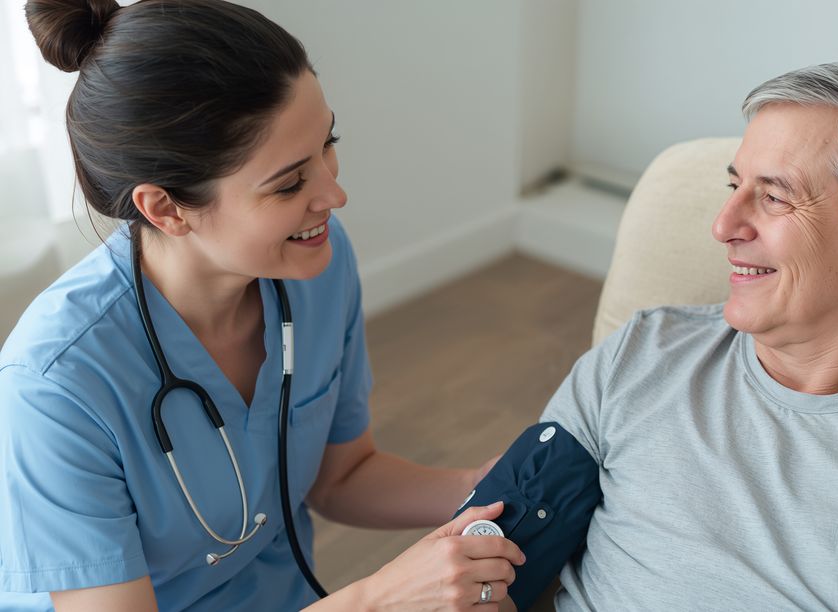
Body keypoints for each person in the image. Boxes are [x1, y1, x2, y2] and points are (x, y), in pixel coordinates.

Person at [466, 61, 838, 611]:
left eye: (775, 196)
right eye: (735, 187)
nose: (724, 224)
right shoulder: (640, 356)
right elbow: (473, 568)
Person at [0, 1, 524, 610]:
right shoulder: (54, 389)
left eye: (329, 143)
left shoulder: (313, 270)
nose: (335, 193)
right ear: (165, 209)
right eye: (289, 183)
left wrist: (480, 488)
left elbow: (341, 476)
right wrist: (379, 599)